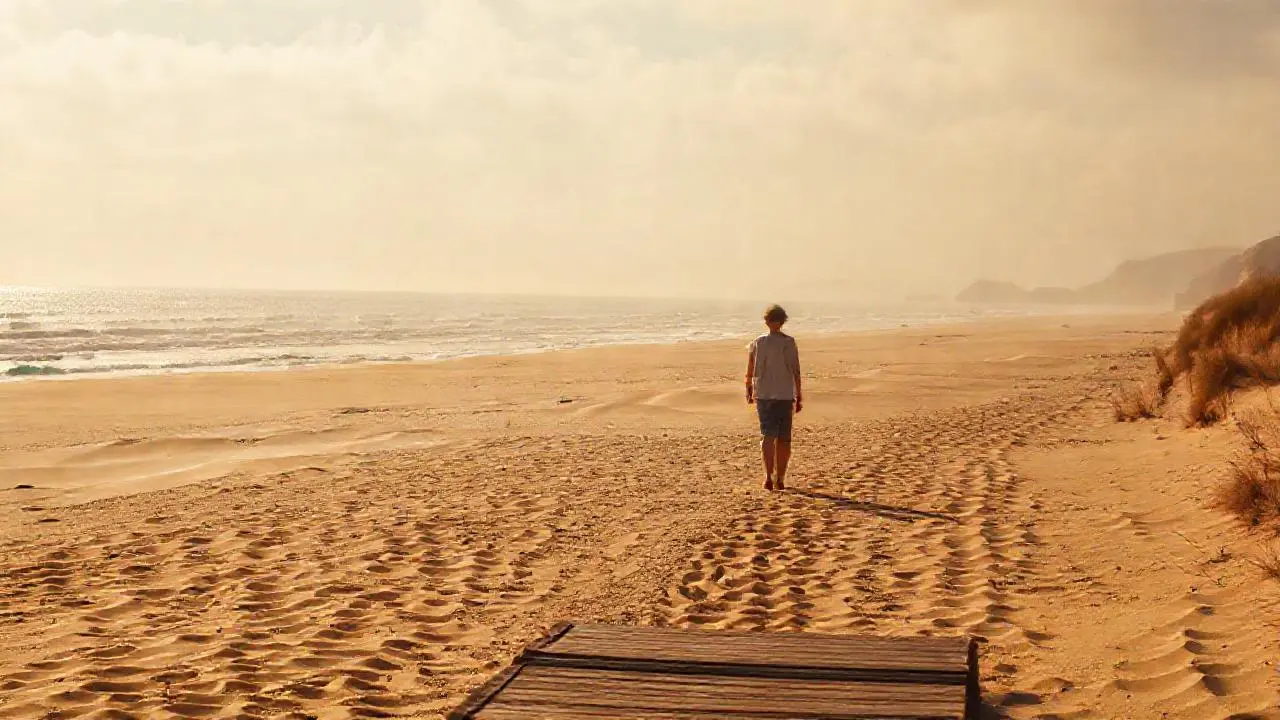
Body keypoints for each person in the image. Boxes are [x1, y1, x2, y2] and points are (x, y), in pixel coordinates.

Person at [745, 304, 802, 491]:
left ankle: (768, 476)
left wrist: (748, 388)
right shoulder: (788, 342)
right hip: (784, 394)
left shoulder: (758, 342)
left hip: (764, 393)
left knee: (768, 435)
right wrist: (799, 394)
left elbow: (750, 368)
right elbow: (795, 370)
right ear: (782, 321)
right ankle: (780, 477)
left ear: (767, 321)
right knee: (783, 438)